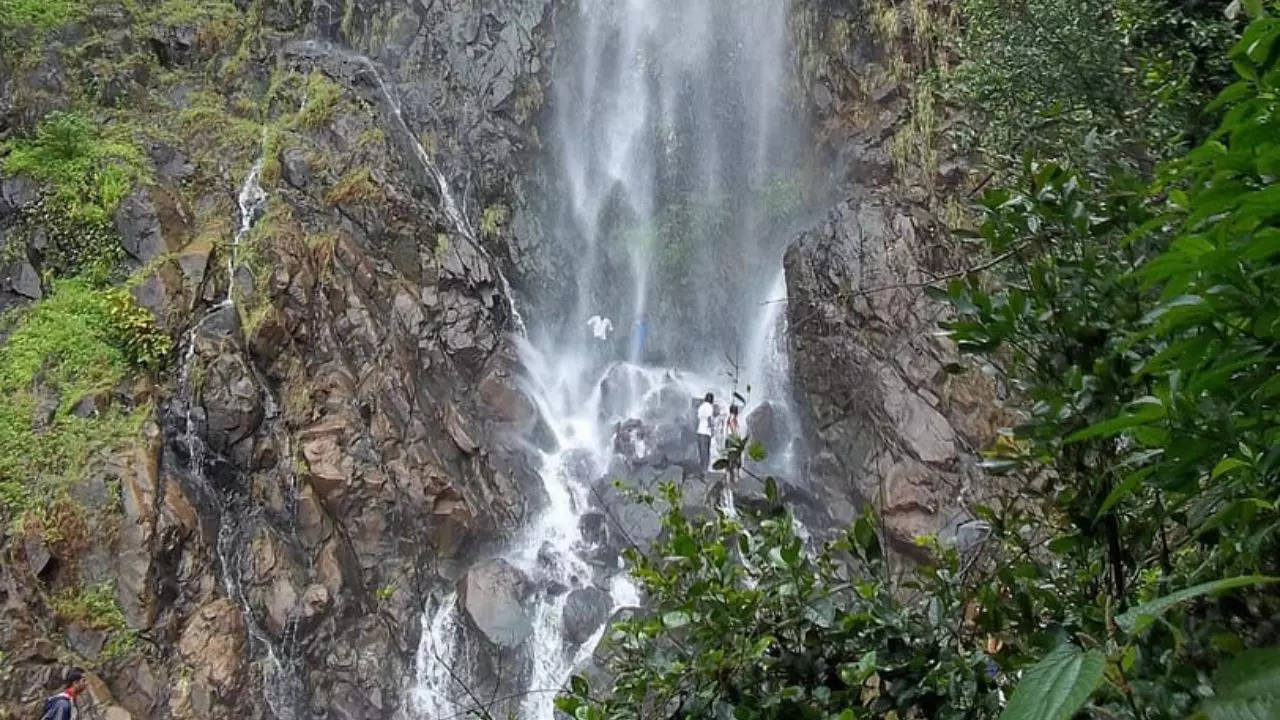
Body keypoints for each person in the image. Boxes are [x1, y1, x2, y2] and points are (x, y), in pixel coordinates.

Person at [696, 392, 714, 474]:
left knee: (701, 451)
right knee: (706, 451)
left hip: (699, 431)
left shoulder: (701, 406)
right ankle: (706, 470)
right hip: (706, 432)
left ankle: (701, 468)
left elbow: (699, 418)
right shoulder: (709, 407)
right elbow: (709, 418)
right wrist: (712, 429)